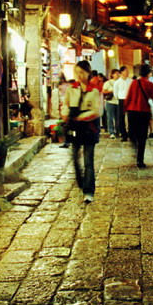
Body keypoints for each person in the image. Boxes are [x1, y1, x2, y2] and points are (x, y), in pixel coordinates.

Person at [61, 60, 100, 203]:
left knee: (88, 160)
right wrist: (65, 114)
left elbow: (97, 111)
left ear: (88, 73)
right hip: (75, 127)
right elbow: (65, 104)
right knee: (75, 157)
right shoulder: (72, 88)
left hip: (89, 128)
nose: (79, 75)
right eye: (76, 72)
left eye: (81, 72)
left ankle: (89, 191)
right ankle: (81, 181)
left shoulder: (94, 90)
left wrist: (81, 116)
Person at [124, 63, 153, 168]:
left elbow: (128, 97)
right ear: (148, 73)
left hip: (132, 112)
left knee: (133, 133)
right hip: (143, 112)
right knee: (142, 136)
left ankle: (134, 144)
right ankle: (140, 160)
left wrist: (124, 109)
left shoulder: (134, 83)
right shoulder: (149, 84)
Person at [114, 65, 132, 141]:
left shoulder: (130, 81)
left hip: (129, 100)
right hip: (121, 100)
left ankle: (131, 134)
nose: (127, 72)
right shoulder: (117, 82)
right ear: (121, 72)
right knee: (121, 118)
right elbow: (115, 93)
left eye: (128, 71)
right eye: (126, 71)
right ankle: (124, 134)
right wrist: (118, 98)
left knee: (131, 118)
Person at [102, 69, 120, 138]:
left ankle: (118, 131)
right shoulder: (108, 82)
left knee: (118, 118)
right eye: (116, 73)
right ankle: (111, 132)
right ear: (112, 74)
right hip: (110, 102)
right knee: (110, 118)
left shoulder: (120, 82)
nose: (117, 75)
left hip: (118, 102)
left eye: (118, 73)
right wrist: (111, 91)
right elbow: (103, 91)